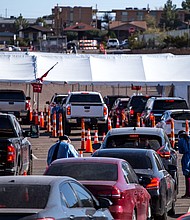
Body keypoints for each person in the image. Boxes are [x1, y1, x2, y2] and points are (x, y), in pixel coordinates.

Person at [178, 130, 190, 198]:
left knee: (187, 176)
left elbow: (181, 151)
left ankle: (188, 193)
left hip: (187, 158)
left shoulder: (181, 140)